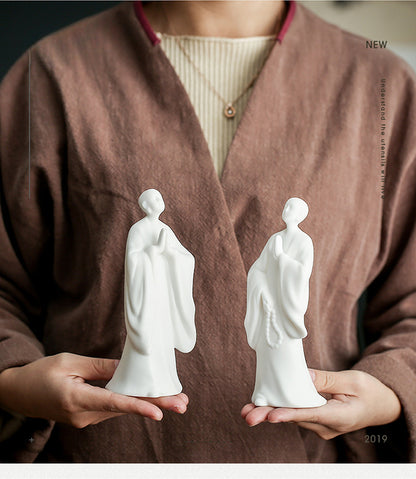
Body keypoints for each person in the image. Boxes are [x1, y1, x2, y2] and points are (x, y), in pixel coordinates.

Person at [0, 0, 415, 463]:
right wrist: (13, 381)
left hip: (305, 461)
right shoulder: (53, 71)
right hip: (102, 458)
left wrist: (392, 390)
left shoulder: (381, 84)